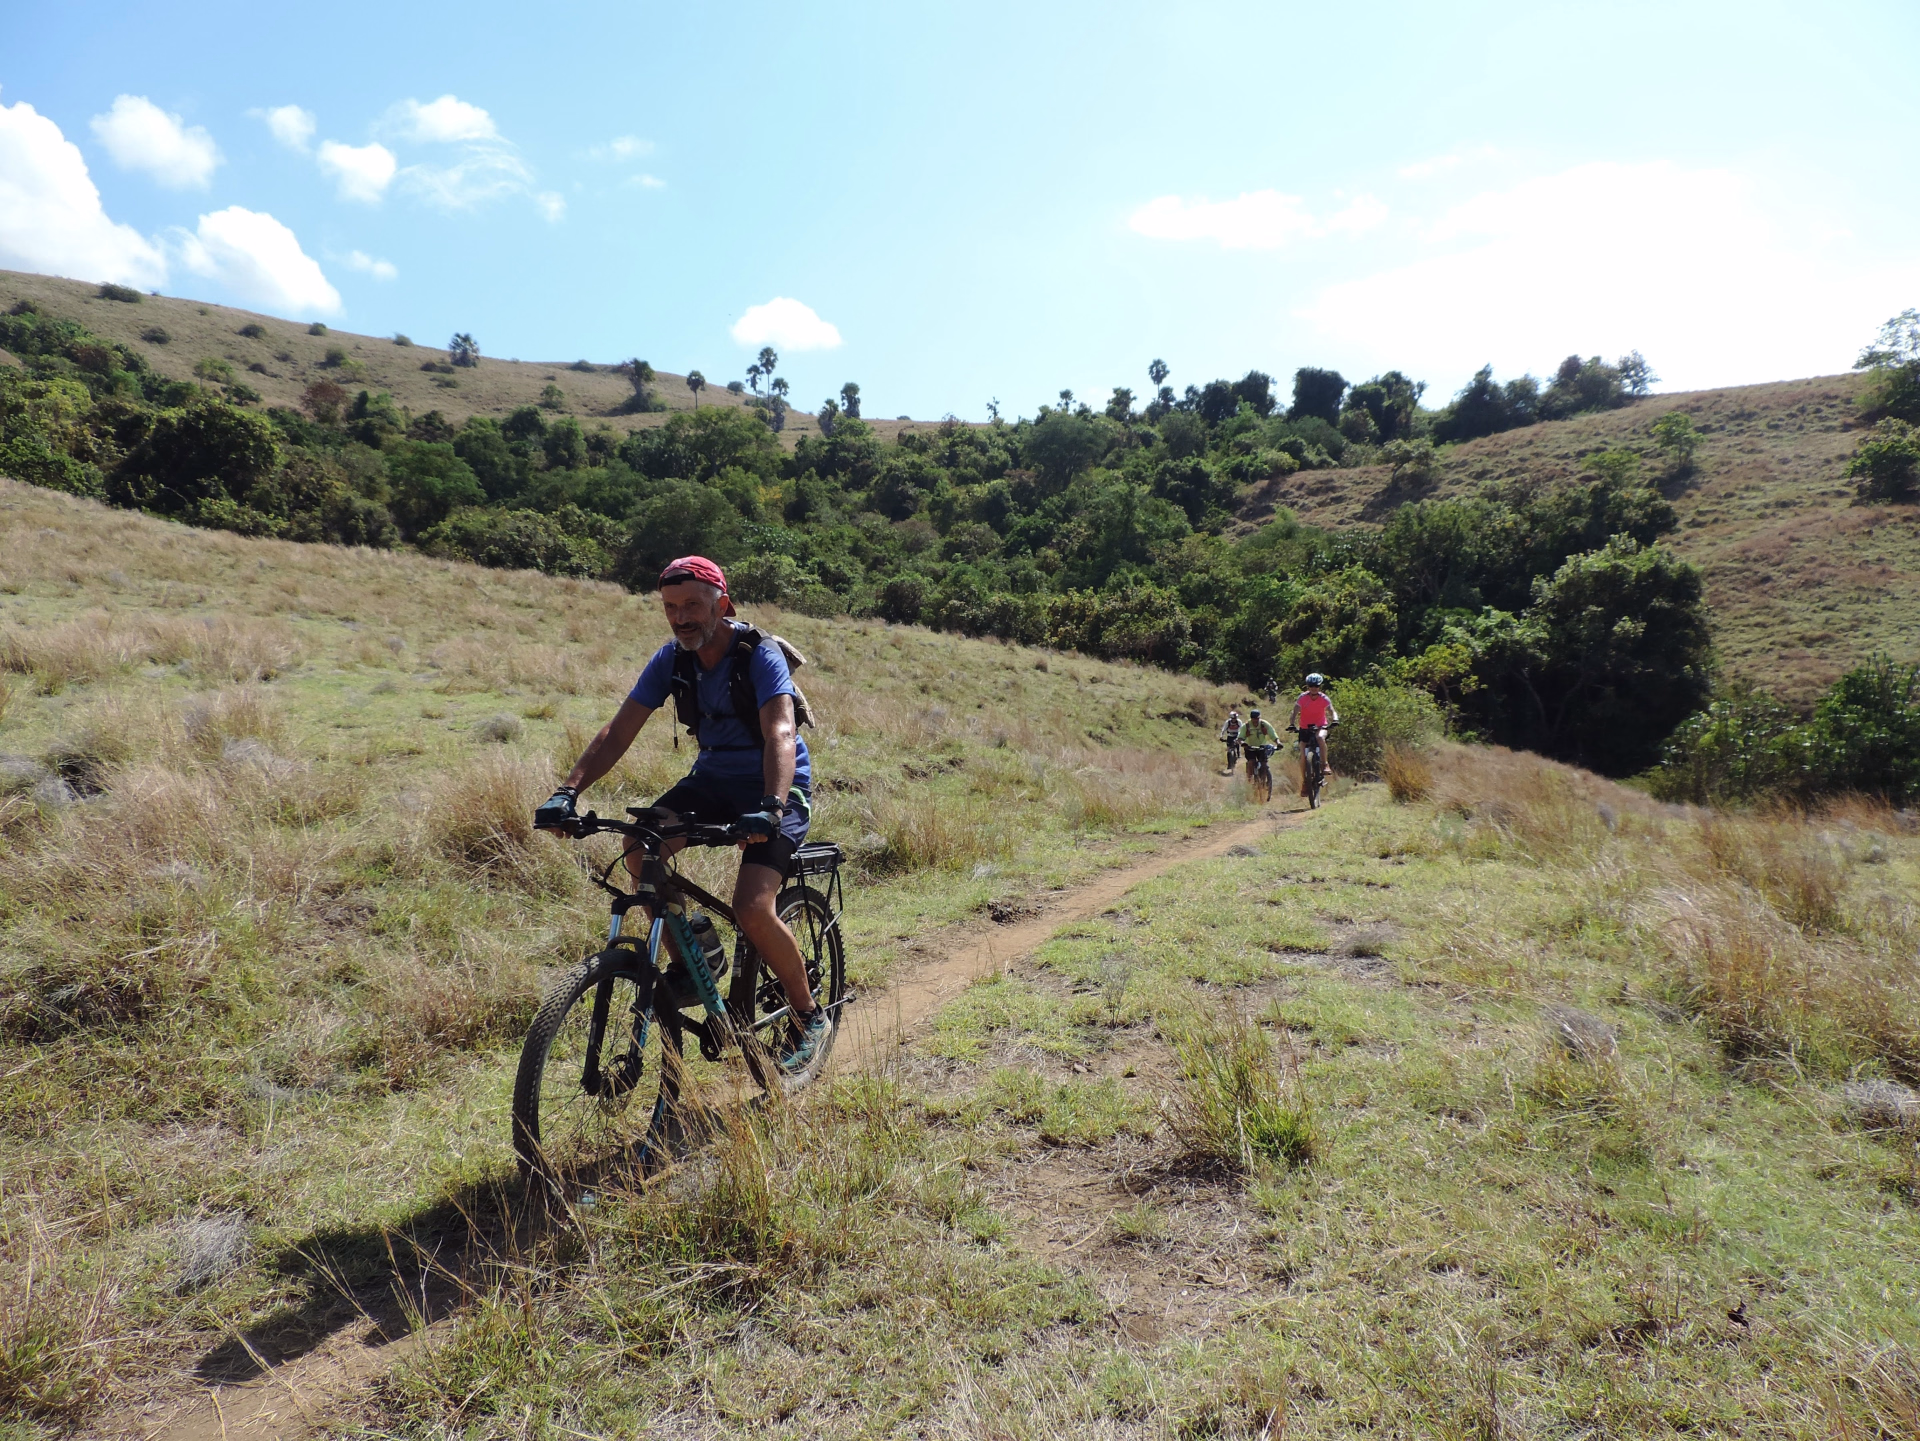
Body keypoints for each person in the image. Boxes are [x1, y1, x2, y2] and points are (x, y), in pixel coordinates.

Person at [534, 555, 830, 1075]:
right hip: (712, 780)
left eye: (693, 604)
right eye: (671, 607)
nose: (681, 617)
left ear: (723, 603)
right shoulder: (672, 659)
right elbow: (619, 730)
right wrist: (568, 791)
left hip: (774, 786)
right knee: (639, 849)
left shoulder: (757, 655)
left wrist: (771, 808)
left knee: (753, 906)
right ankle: (693, 964)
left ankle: (809, 1016)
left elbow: (780, 733)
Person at [1289, 673, 1340, 793]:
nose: (1314, 688)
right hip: (1304, 728)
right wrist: (1292, 723)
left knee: (1320, 738)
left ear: (1319, 686)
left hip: (1320, 726)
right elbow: (1295, 711)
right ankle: (1305, 782)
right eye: (1311, 686)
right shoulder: (1302, 697)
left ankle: (1324, 764)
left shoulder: (1324, 698)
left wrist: (1335, 719)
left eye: (1316, 686)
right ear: (1308, 686)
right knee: (1302, 757)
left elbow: (1331, 710)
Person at [1242, 707, 1281, 778]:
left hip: (1262, 747)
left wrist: (1278, 743)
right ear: (1251, 718)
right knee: (1251, 762)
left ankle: (1264, 781)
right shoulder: (1246, 725)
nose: (1255, 720)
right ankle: (1249, 779)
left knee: (1264, 764)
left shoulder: (1264, 724)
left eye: (1257, 718)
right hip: (1250, 747)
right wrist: (1243, 743)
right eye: (1254, 718)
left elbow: (1272, 734)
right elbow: (1240, 737)